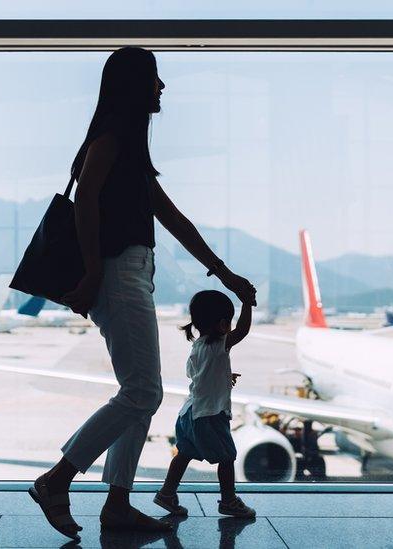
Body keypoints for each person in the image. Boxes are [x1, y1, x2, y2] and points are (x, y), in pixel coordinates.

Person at [28, 47, 257, 541]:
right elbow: (85, 198)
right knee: (143, 392)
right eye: (155, 78)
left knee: (141, 393)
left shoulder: (127, 147)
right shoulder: (110, 139)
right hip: (116, 272)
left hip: (130, 272)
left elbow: (174, 220)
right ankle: (56, 481)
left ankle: (116, 506)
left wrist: (224, 274)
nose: (163, 87)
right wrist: (91, 273)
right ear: (135, 86)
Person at [152, 290, 256, 519]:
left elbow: (196, 374)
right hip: (210, 414)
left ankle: (167, 493)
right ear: (222, 324)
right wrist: (247, 303)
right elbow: (243, 331)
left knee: (184, 454)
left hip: (189, 413)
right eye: (229, 321)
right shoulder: (220, 344)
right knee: (227, 458)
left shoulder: (198, 346)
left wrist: (223, 374)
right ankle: (228, 501)